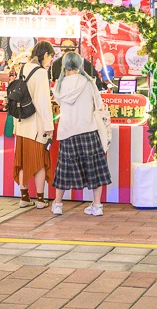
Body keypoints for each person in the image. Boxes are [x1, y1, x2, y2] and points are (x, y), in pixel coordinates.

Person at [51, 52, 112, 217]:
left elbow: (58, 101)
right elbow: (99, 105)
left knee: (63, 169)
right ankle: (97, 205)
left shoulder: (59, 86)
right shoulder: (89, 83)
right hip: (88, 129)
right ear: (80, 65)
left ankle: (57, 205)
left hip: (67, 131)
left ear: (64, 65)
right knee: (95, 169)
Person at [13, 41, 55, 209]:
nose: (50, 61)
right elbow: (43, 102)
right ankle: (40, 200)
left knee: (23, 161)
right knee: (39, 162)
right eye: (51, 57)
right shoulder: (41, 73)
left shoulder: (23, 68)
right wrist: (49, 125)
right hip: (36, 126)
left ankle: (24, 197)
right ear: (45, 55)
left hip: (22, 123)